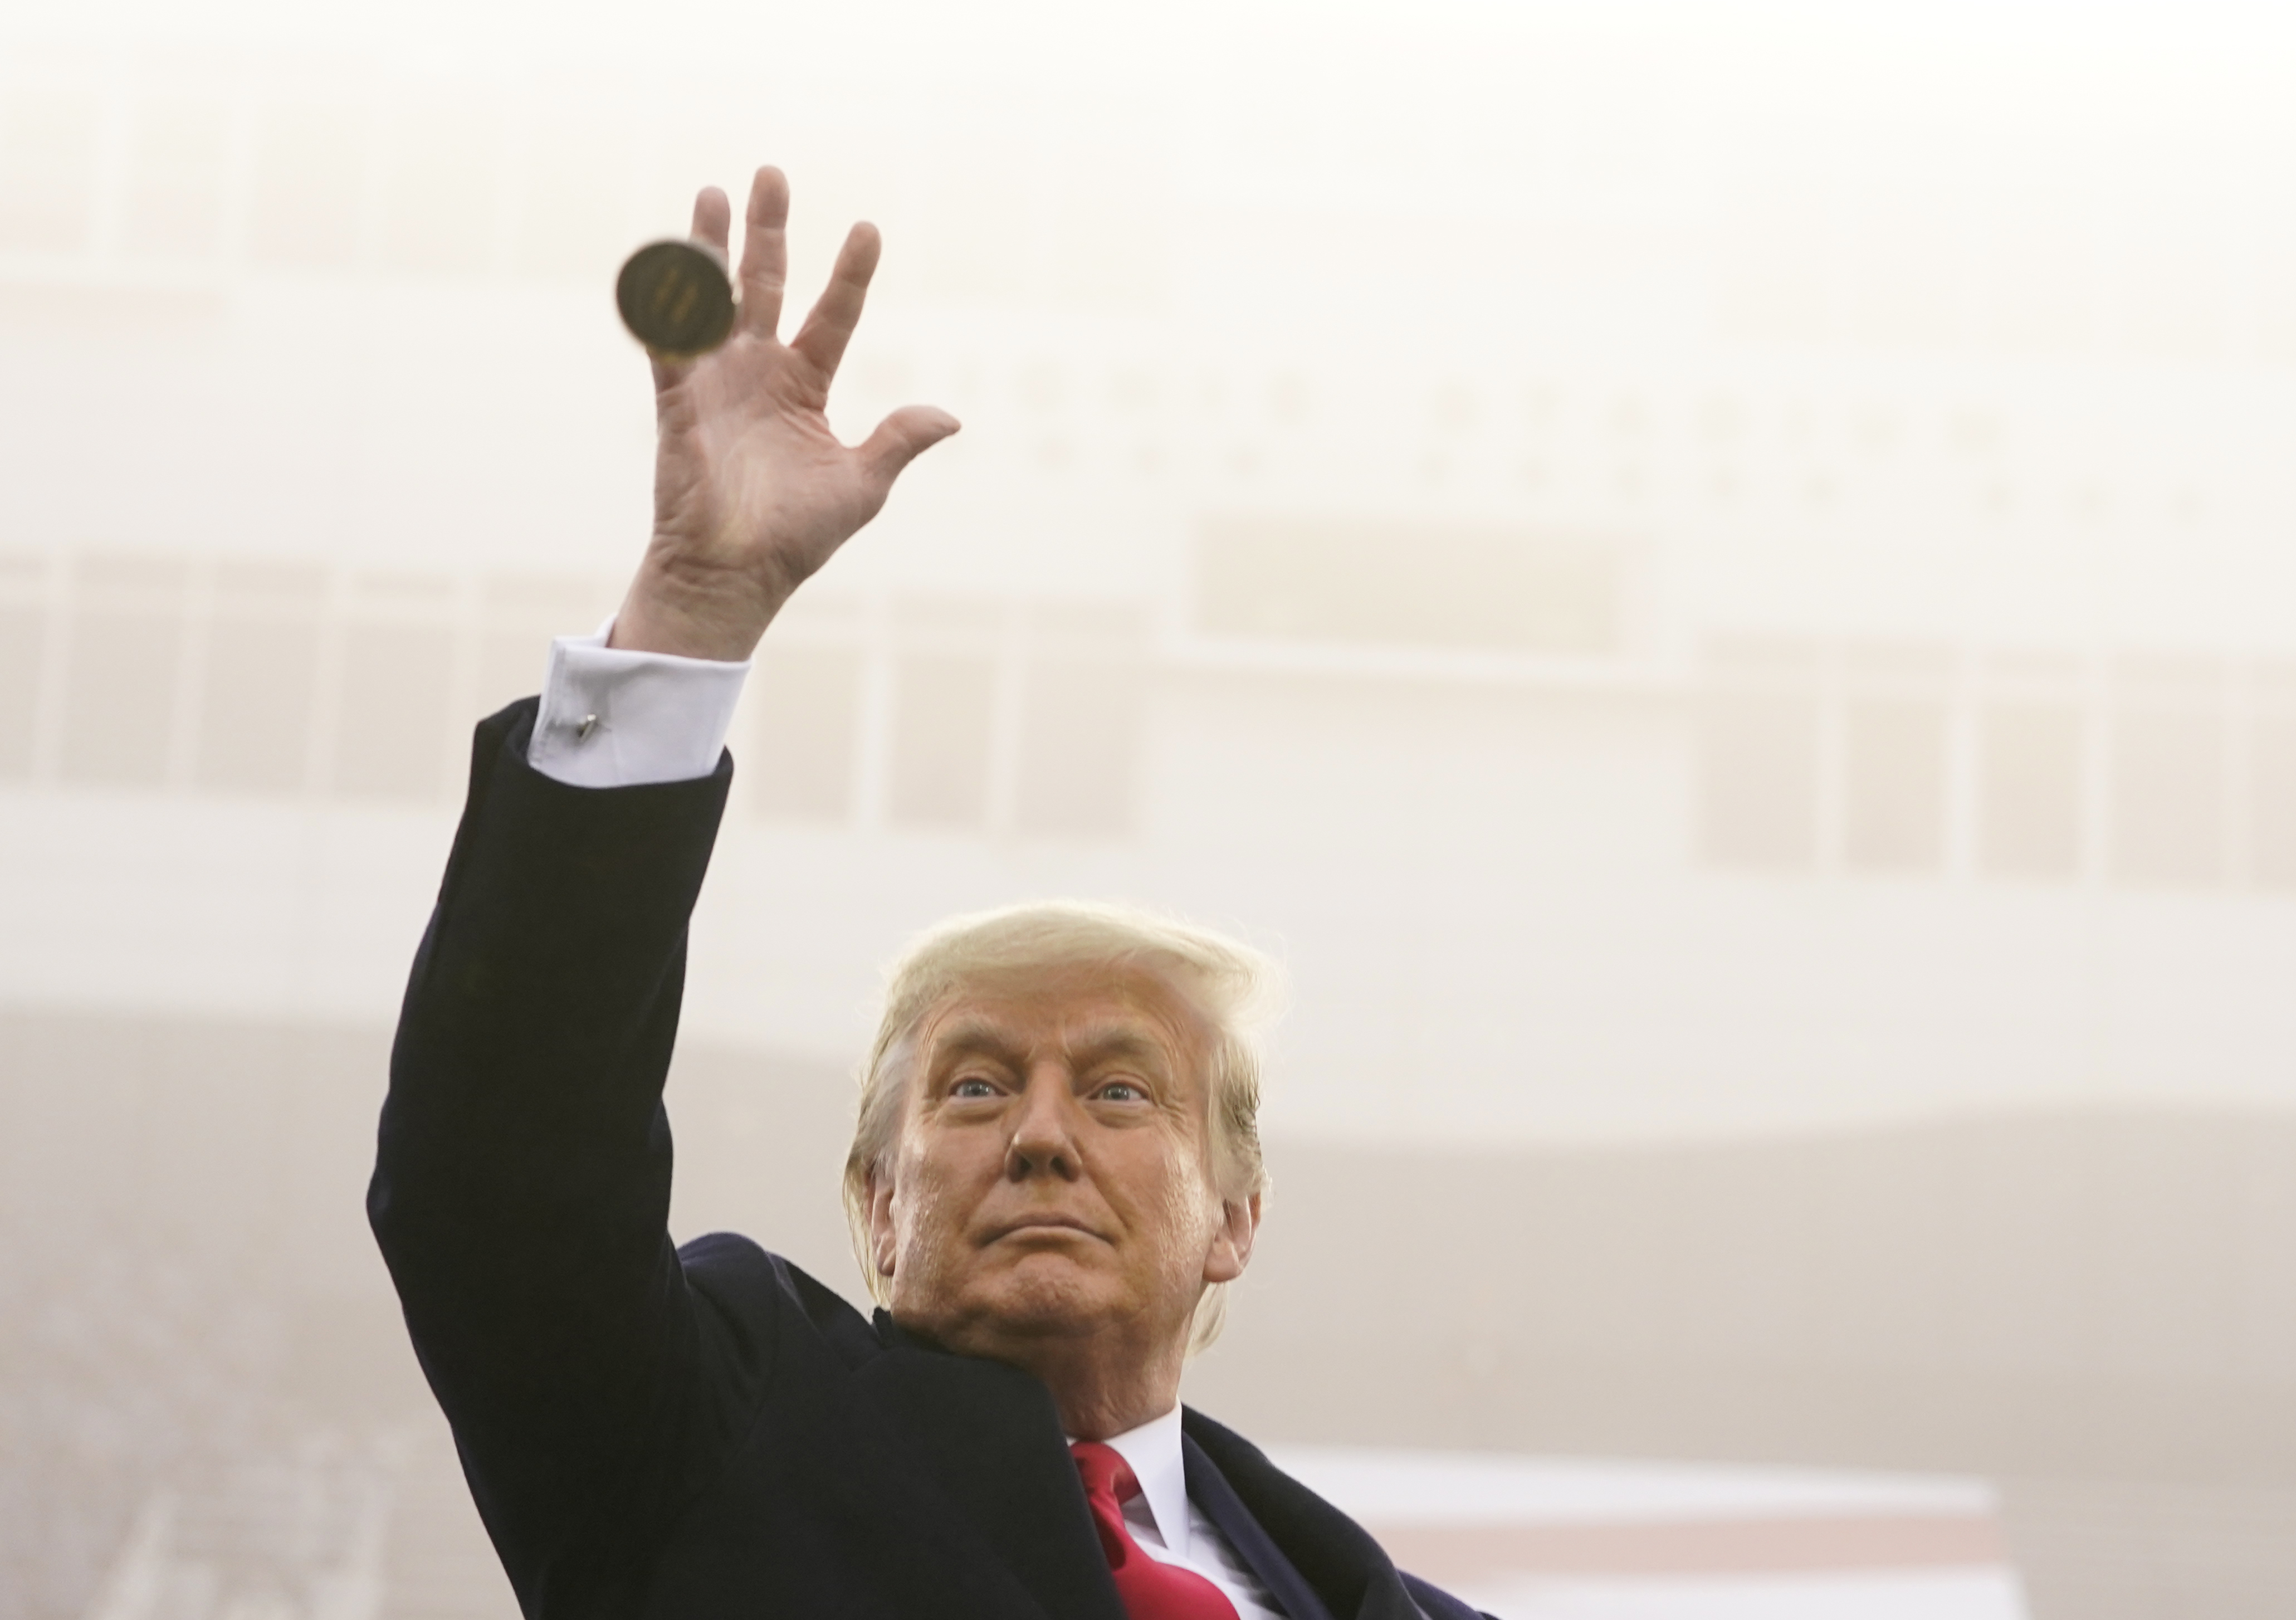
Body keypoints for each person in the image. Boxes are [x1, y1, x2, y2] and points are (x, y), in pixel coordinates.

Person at [367, 168, 1489, 1620]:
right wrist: (691, 620)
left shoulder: (1378, 1600)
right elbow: (499, 1180)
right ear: (875, 1204)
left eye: (1119, 1091)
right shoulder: (714, 1428)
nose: (1037, 1134)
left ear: (1236, 1216)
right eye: (970, 1089)